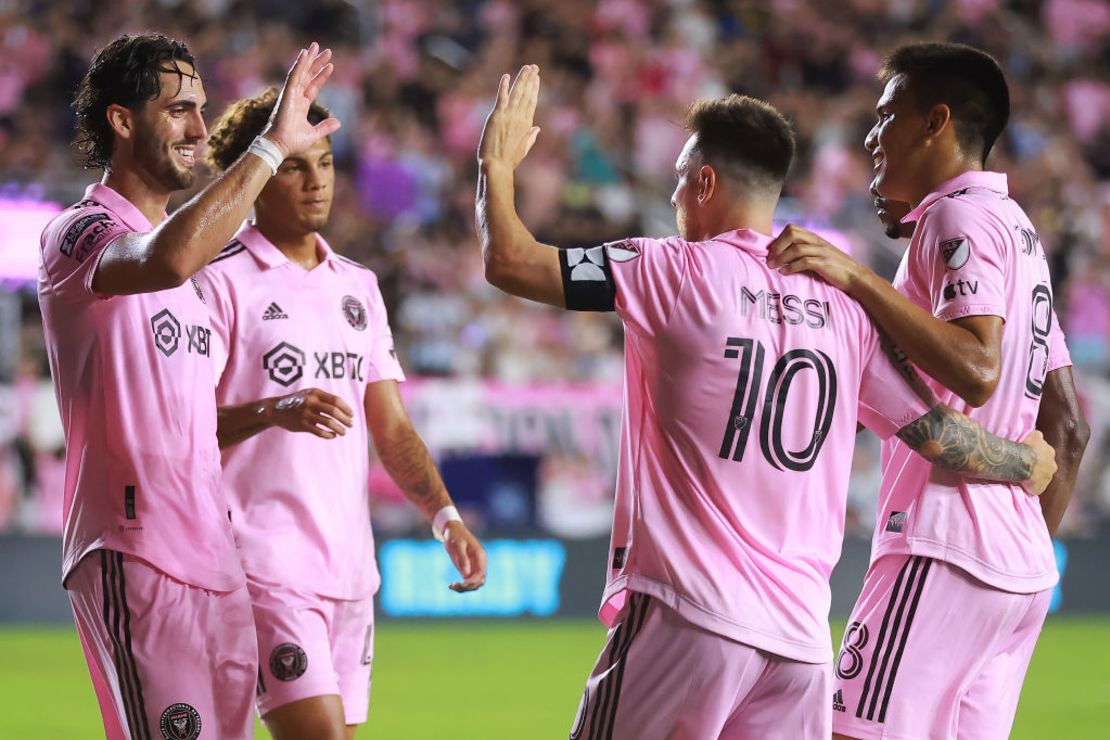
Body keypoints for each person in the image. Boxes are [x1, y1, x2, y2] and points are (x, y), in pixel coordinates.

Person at [475, 65, 1056, 740]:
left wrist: (496, 161)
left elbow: (511, 261)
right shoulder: (842, 306)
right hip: (799, 647)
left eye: (678, 179)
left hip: (687, 616)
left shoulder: (669, 270)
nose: (671, 196)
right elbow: (932, 433)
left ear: (704, 183)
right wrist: (1021, 463)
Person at [767, 43, 1090, 739]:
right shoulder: (1021, 236)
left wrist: (856, 279)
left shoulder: (956, 219)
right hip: (1020, 577)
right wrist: (1017, 550)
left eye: (887, 116)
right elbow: (1069, 427)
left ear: (935, 122)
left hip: (940, 549)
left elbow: (977, 368)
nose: (871, 136)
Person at [38, 33, 338, 739]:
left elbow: (192, 420)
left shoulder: (196, 277)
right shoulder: (79, 232)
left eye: (202, 111)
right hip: (133, 547)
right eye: (178, 110)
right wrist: (270, 147)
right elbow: (167, 257)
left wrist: (272, 409)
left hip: (216, 557)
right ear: (121, 120)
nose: (200, 130)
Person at [194, 88, 488, 740]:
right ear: (256, 175)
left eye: (324, 163)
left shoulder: (358, 286)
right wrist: (276, 409)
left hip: (351, 570)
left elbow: (392, 426)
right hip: (262, 562)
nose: (316, 181)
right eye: (295, 166)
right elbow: (182, 424)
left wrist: (445, 518)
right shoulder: (218, 280)